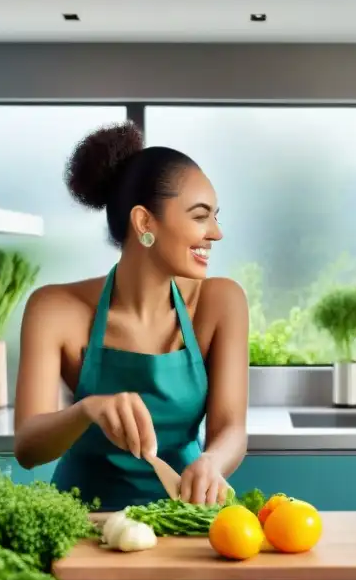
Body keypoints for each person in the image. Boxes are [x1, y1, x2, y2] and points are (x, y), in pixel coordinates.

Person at [13, 121, 249, 511]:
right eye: (200, 216)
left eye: (215, 217)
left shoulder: (222, 302)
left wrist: (212, 462)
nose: (216, 233)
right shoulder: (54, 309)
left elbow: (231, 430)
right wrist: (86, 411)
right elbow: (27, 447)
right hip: (81, 524)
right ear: (145, 223)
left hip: (184, 519)